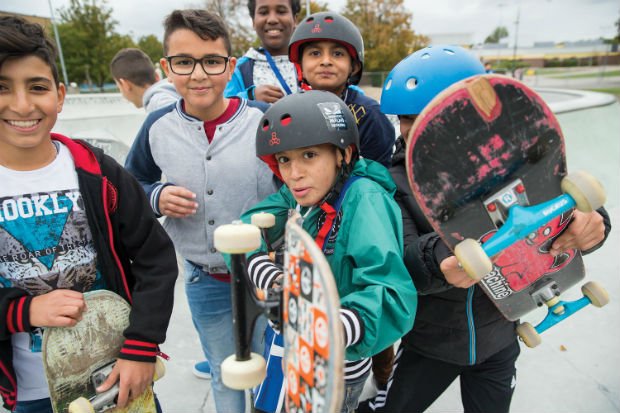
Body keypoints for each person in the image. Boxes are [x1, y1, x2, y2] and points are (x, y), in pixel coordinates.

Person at [358, 45, 612, 413]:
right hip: (430, 345)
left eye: (432, 117)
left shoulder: (515, 161)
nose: (416, 132)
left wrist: (593, 223)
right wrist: (439, 261)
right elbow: (406, 259)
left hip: (499, 340)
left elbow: (564, 193)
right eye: (407, 119)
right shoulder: (394, 180)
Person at [0, 16, 178, 413]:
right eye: (2, 88)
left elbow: (156, 258)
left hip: (120, 374)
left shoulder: (97, 171)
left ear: (59, 96)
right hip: (34, 394)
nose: (23, 104)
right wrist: (23, 310)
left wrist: (141, 347)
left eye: (37, 87)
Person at [123, 9, 277, 413]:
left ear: (230, 68)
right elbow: (126, 188)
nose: (198, 74)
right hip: (204, 277)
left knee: (271, 368)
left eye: (211, 61)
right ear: (166, 69)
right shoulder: (157, 127)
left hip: (269, 274)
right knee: (225, 372)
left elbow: (296, 188)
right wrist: (156, 195)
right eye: (184, 62)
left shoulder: (263, 122)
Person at [233, 90, 417, 413]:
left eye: (309, 156)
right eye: (284, 160)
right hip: (291, 349)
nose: (294, 174)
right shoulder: (303, 193)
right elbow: (244, 229)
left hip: (336, 368)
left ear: (342, 155)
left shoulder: (364, 199)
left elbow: (390, 294)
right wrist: (269, 274)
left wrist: (327, 324)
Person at [288, 11, 395, 168]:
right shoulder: (291, 111)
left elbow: (380, 179)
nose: (325, 61)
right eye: (315, 53)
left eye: (337, 54)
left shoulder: (370, 115)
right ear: (300, 67)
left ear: (354, 67)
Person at [224, 0, 301, 103]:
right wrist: (250, 96)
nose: (272, 19)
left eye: (281, 11)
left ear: (295, 20)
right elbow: (222, 108)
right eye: (264, 12)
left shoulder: (310, 63)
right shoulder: (239, 69)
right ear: (253, 21)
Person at [110, 48, 178, 112]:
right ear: (157, 76)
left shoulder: (158, 106)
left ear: (125, 85)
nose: (122, 95)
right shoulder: (176, 93)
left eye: (119, 88)